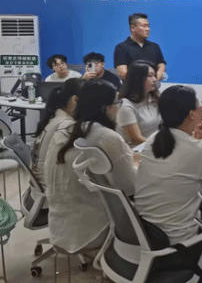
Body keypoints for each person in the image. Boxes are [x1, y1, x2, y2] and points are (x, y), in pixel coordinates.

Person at [44, 80, 135, 255]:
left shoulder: (64, 129)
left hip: (58, 226)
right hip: (92, 230)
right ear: (105, 107)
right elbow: (130, 186)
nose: (118, 107)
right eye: (116, 102)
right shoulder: (106, 136)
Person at [134, 85, 202, 245]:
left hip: (145, 231)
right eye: (200, 106)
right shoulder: (200, 150)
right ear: (192, 114)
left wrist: (199, 144)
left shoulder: (153, 139)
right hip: (180, 239)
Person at [30, 78, 84, 189]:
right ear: (74, 100)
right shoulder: (66, 125)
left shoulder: (53, 117)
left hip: (37, 186)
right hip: (49, 188)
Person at [116, 60, 161, 146]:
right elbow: (136, 139)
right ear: (138, 79)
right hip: (136, 149)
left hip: (153, 145)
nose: (155, 79)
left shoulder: (154, 98)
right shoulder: (126, 105)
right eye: (150, 76)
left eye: (154, 75)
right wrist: (159, 146)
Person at [114, 13, 166, 81]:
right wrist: (143, 83)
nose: (147, 29)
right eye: (144, 26)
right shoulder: (121, 48)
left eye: (148, 26)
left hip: (153, 86)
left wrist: (153, 81)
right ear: (133, 28)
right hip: (132, 87)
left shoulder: (155, 47)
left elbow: (162, 67)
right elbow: (122, 73)